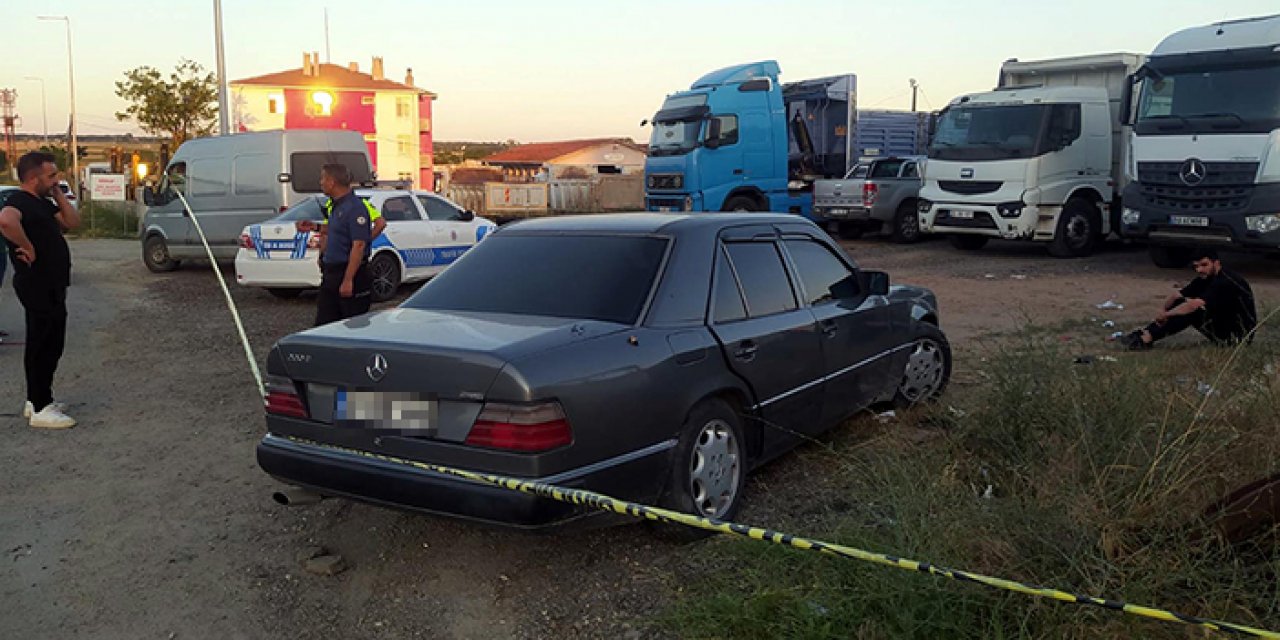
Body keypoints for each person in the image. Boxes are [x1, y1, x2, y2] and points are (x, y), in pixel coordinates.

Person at [0, 151, 81, 429]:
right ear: (34, 178)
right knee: (41, 341)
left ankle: (39, 399)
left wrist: (58, 195)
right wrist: (28, 245)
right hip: (36, 283)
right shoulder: (19, 201)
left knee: (53, 341)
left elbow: (72, 223)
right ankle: (39, 406)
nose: (56, 179)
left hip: (53, 283)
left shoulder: (42, 203)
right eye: (51, 176)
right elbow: (6, 221)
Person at [1121, 248, 1256, 350]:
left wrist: (1166, 314)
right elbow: (1176, 296)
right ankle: (1147, 333)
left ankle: (1147, 339)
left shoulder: (1225, 281)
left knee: (1192, 309)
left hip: (1238, 336)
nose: (1199, 270)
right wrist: (1163, 310)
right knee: (1182, 304)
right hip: (1222, 321)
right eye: (1196, 266)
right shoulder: (1205, 278)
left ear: (1216, 263)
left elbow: (1194, 306)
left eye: (1204, 265)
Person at [312, 163, 373, 326]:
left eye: (323, 178)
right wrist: (315, 227)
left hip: (348, 272)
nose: (321, 183)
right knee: (324, 325)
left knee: (352, 326)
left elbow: (358, 245)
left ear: (332, 182)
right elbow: (338, 229)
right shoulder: (336, 206)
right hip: (331, 275)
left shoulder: (355, 208)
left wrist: (348, 280)